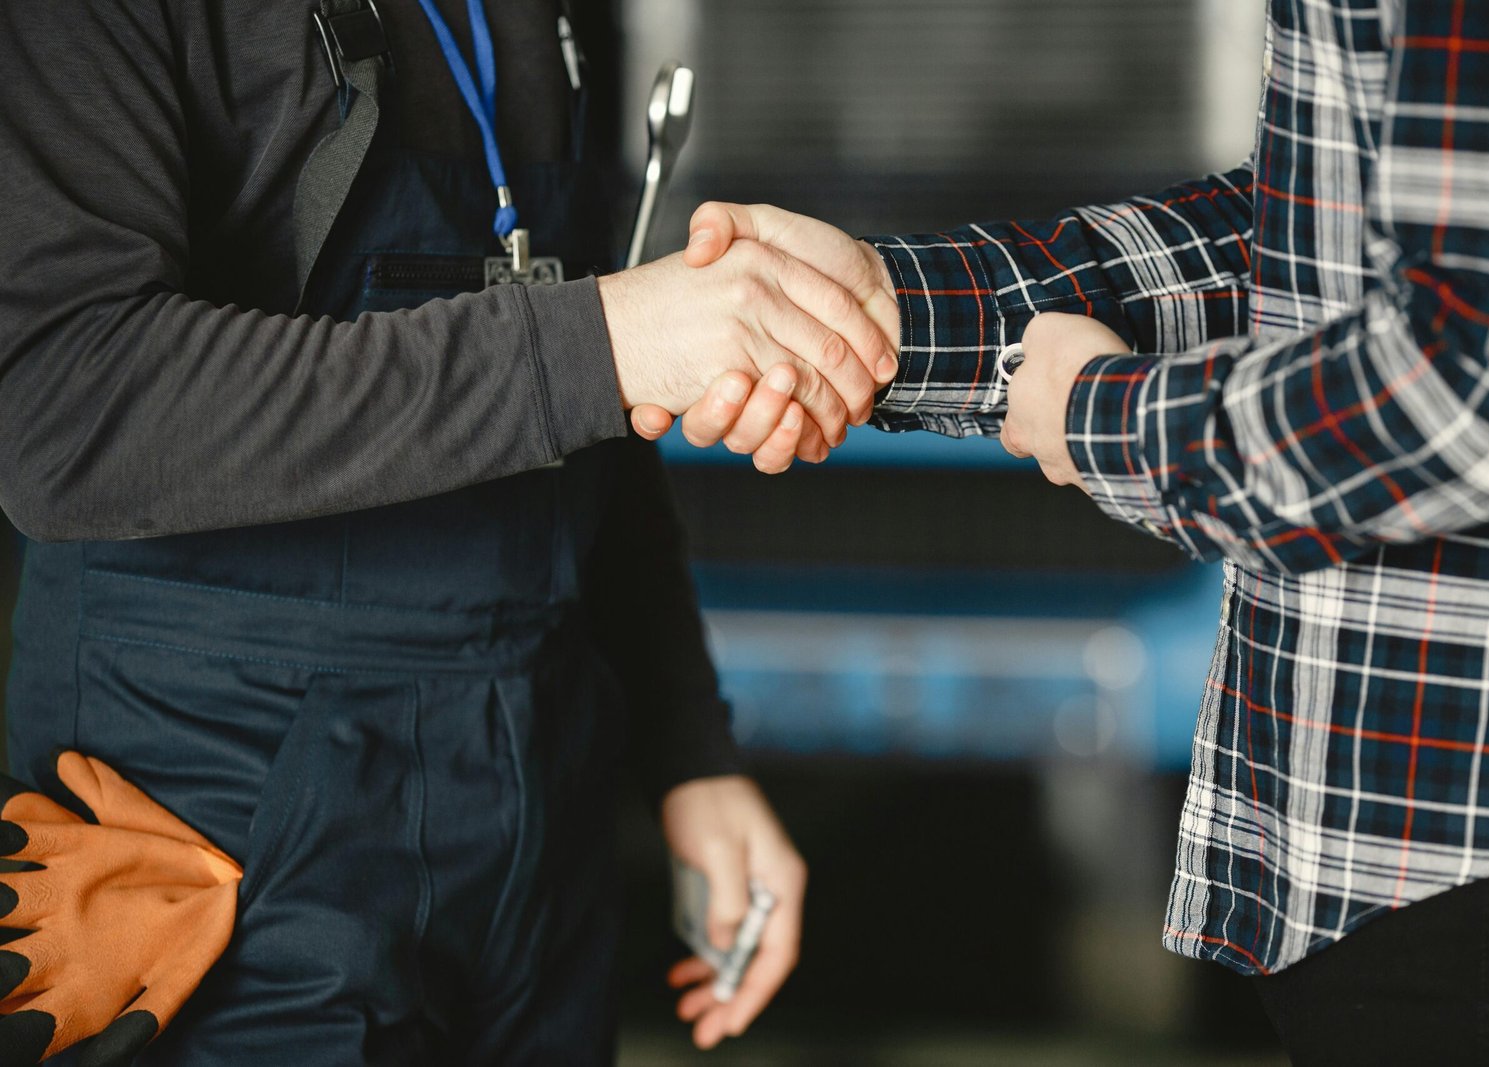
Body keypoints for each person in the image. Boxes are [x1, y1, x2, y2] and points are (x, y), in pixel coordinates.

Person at [641, 2, 1489, 1062]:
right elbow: (1329, 235)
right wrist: (893, 309)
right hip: (1426, 843)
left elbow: (1487, 376)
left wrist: (1103, 415)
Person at [0, 0, 895, 1063]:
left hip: (534, 800)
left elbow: (590, 386)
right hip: (215, 831)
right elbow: (69, 403)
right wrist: (600, 340)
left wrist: (688, 747)